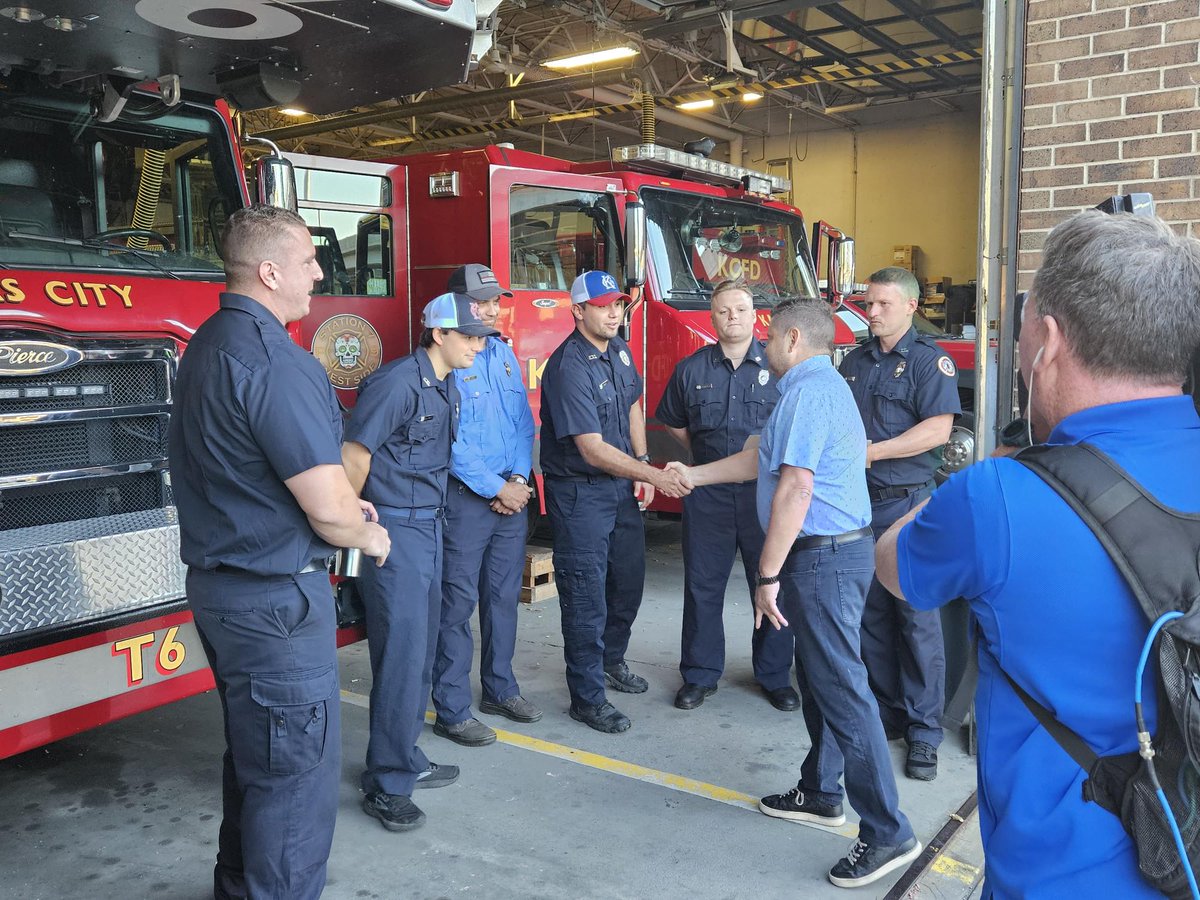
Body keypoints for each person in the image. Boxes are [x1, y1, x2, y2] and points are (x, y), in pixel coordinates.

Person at [876, 210, 1200, 898]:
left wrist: (976, 481)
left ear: (1047, 340)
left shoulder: (997, 497)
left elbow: (893, 565)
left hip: (1062, 877)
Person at [169, 204, 391, 900]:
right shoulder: (278, 361)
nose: (318, 273)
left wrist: (339, 508)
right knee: (294, 783)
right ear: (269, 270)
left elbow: (251, 470)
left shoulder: (206, 345)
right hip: (275, 605)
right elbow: (328, 510)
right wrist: (368, 533)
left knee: (257, 761)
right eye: (307, 261)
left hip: (222, 591)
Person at [670, 299, 920, 889]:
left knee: (843, 690)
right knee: (821, 681)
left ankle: (888, 832)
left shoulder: (810, 392)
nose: (762, 343)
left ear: (789, 337)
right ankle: (820, 790)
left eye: (768, 333)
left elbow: (796, 489)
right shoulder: (805, 390)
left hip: (825, 557)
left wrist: (766, 574)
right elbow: (760, 458)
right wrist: (693, 475)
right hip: (826, 557)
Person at [342, 292, 497, 831]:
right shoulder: (396, 383)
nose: (480, 344)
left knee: (422, 649)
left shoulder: (444, 382)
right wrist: (353, 529)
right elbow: (354, 456)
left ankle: (405, 756)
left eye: (482, 336)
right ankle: (386, 783)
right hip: (396, 531)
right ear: (439, 334)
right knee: (403, 656)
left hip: (430, 526)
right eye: (471, 335)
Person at [539, 270, 691, 733]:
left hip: (620, 488)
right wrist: (654, 475)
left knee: (627, 582)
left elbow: (632, 407)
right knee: (585, 596)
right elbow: (591, 448)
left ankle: (611, 660)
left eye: (619, 305)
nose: (613, 313)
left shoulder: (621, 351)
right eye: (603, 306)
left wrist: (642, 461)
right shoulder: (568, 367)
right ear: (578, 311)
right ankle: (586, 698)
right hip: (580, 493)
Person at [838, 267, 960, 781]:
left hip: (907, 505)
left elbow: (939, 429)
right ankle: (887, 711)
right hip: (858, 506)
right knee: (871, 616)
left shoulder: (930, 363)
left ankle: (924, 731)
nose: (872, 312)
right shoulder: (854, 361)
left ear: (912, 307)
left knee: (916, 620)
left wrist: (873, 452)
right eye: (869, 303)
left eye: (884, 304)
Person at [655, 281, 798, 711]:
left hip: (765, 495)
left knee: (772, 582)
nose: (731, 316)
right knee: (702, 585)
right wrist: (704, 467)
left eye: (739, 308)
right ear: (712, 317)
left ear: (755, 315)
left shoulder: (780, 369)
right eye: (722, 310)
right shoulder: (691, 369)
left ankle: (774, 675)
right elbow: (675, 425)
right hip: (709, 495)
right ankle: (699, 675)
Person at [431, 264, 541, 747]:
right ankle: (452, 709)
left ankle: (500, 688)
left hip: (510, 498)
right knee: (456, 606)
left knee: (502, 601)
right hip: (468, 501)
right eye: (481, 301)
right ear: (456, 307)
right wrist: (495, 487)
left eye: (496, 299)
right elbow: (448, 439)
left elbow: (522, 422)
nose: (493, 307)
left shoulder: (501, 354)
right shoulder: (448, 358)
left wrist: (517, 479)